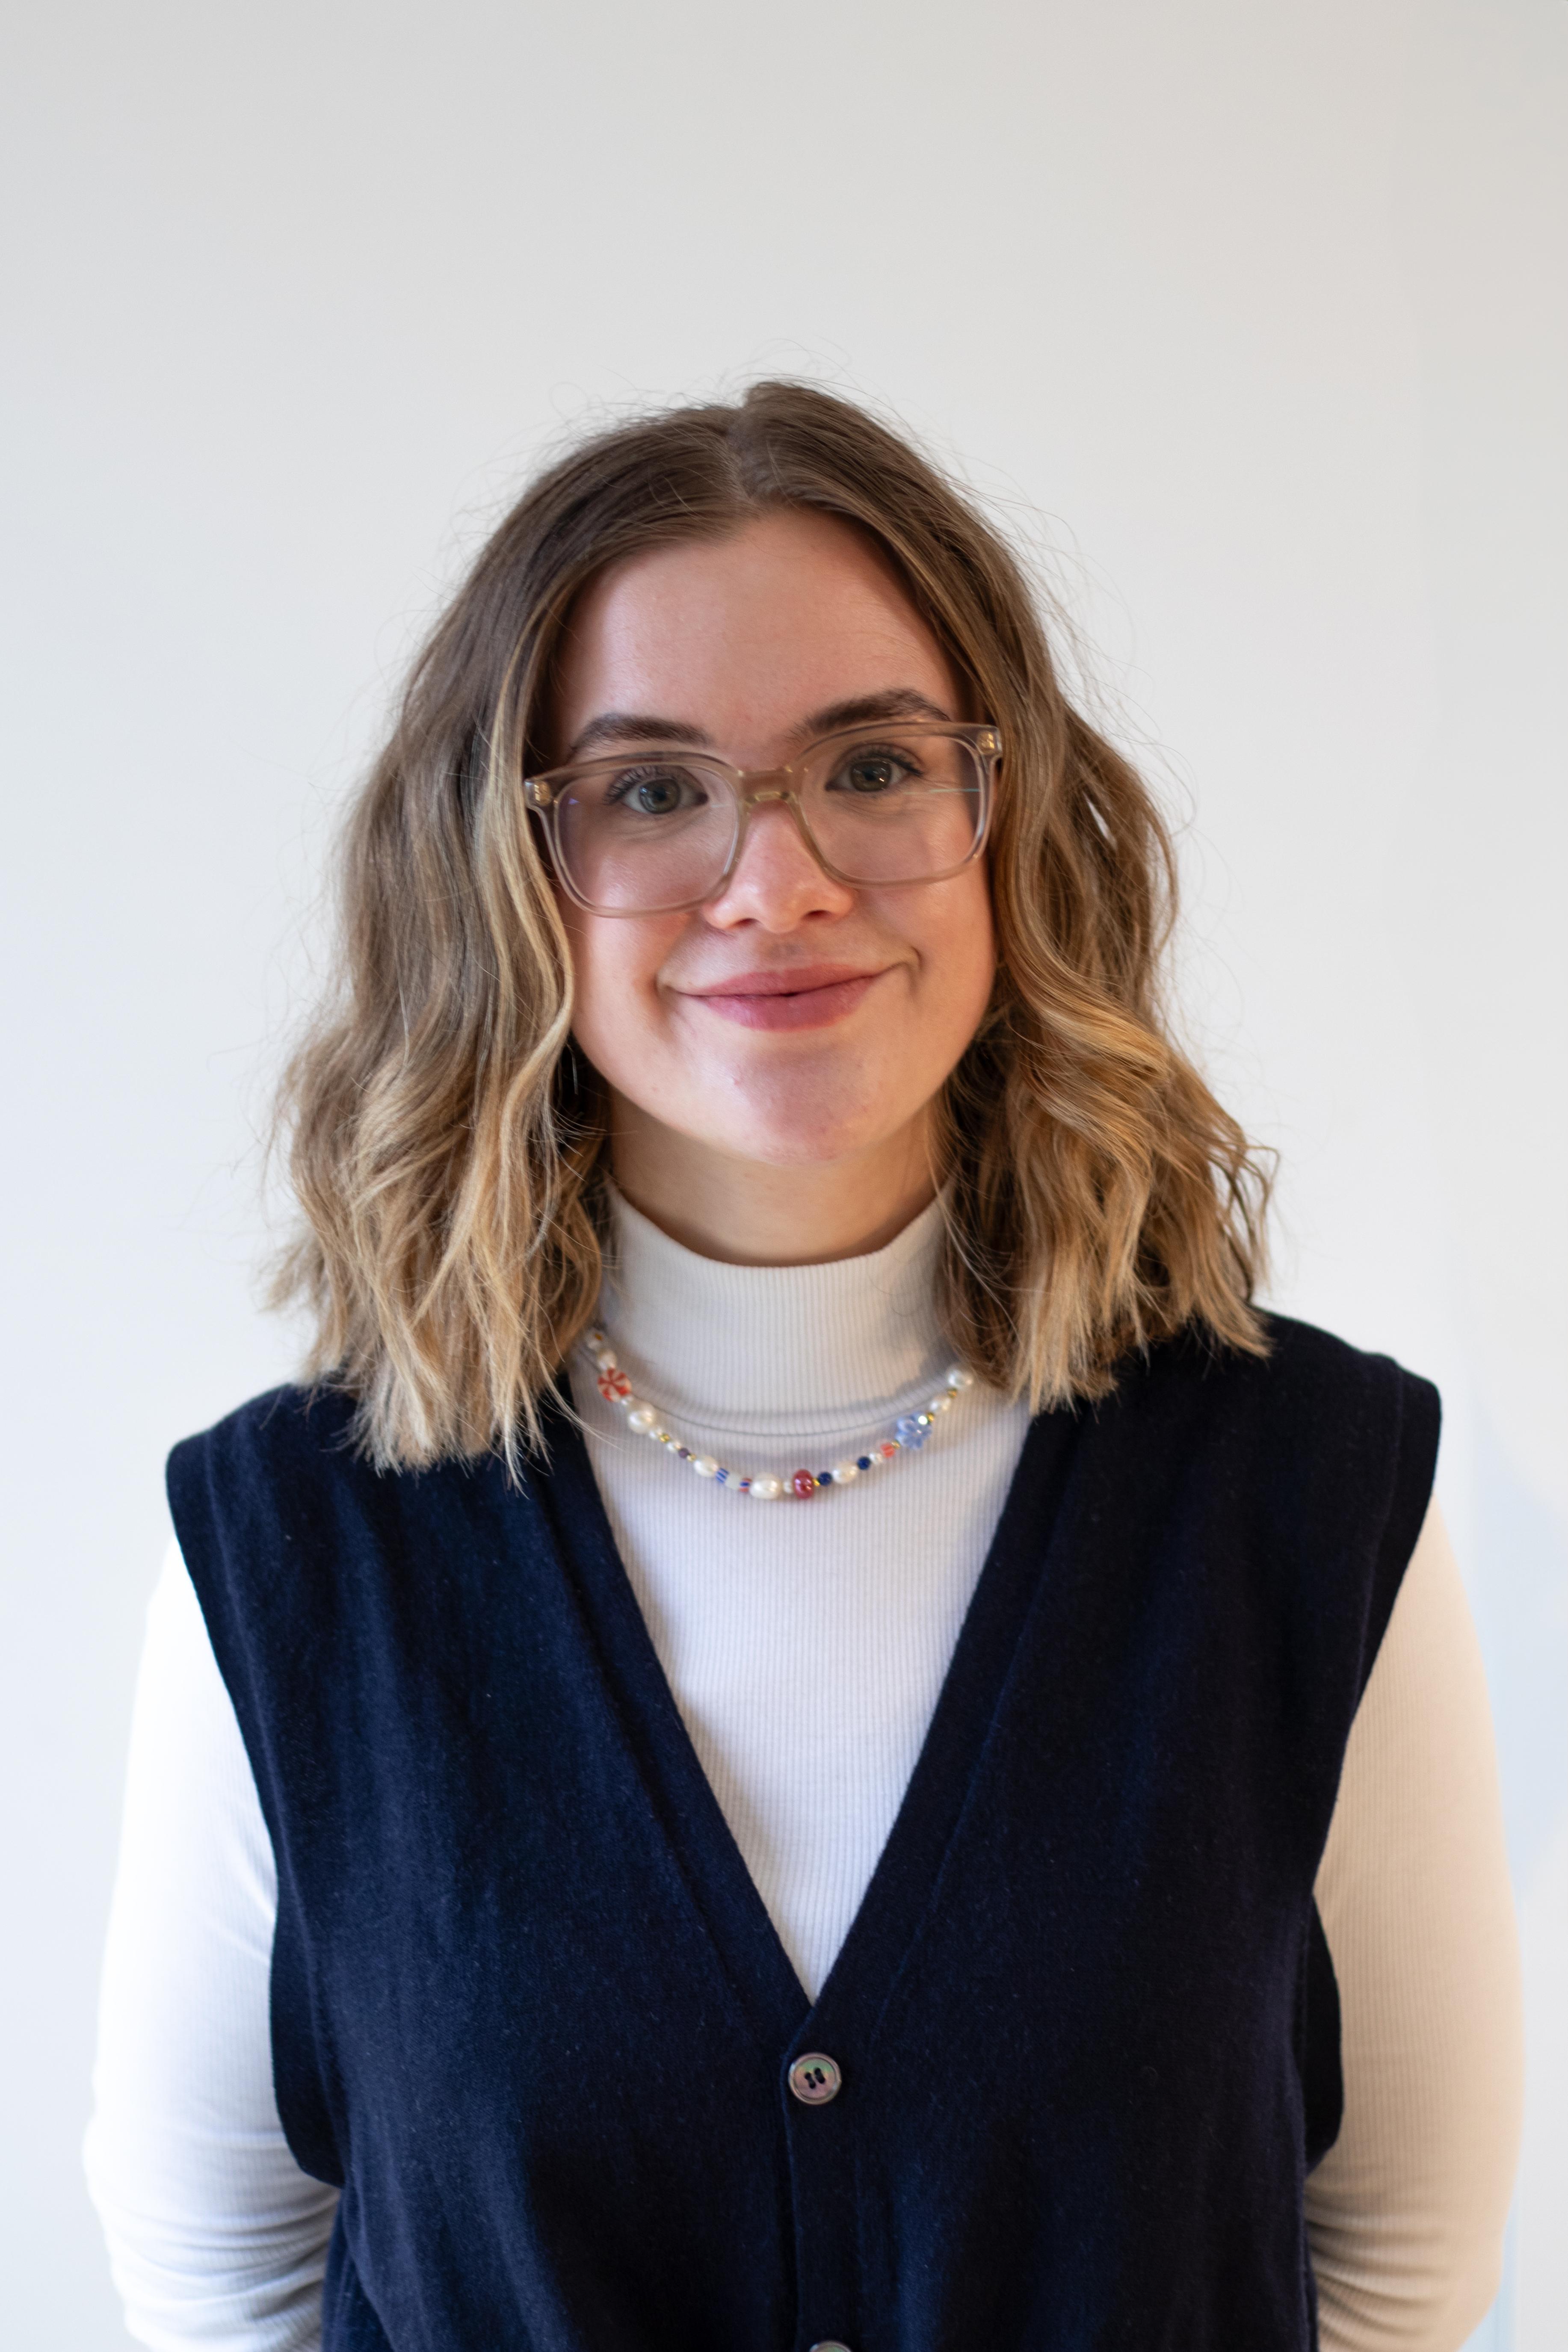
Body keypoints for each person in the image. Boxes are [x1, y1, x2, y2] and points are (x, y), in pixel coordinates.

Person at [86, 383, 1522, 2352]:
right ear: (507, 874)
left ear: (1000, 814)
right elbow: (219, 2268)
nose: (777, 884)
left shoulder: (1305, 1491)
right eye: (652, 789)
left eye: (869, 763)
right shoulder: (297, 1546)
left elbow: (1389, 2258)